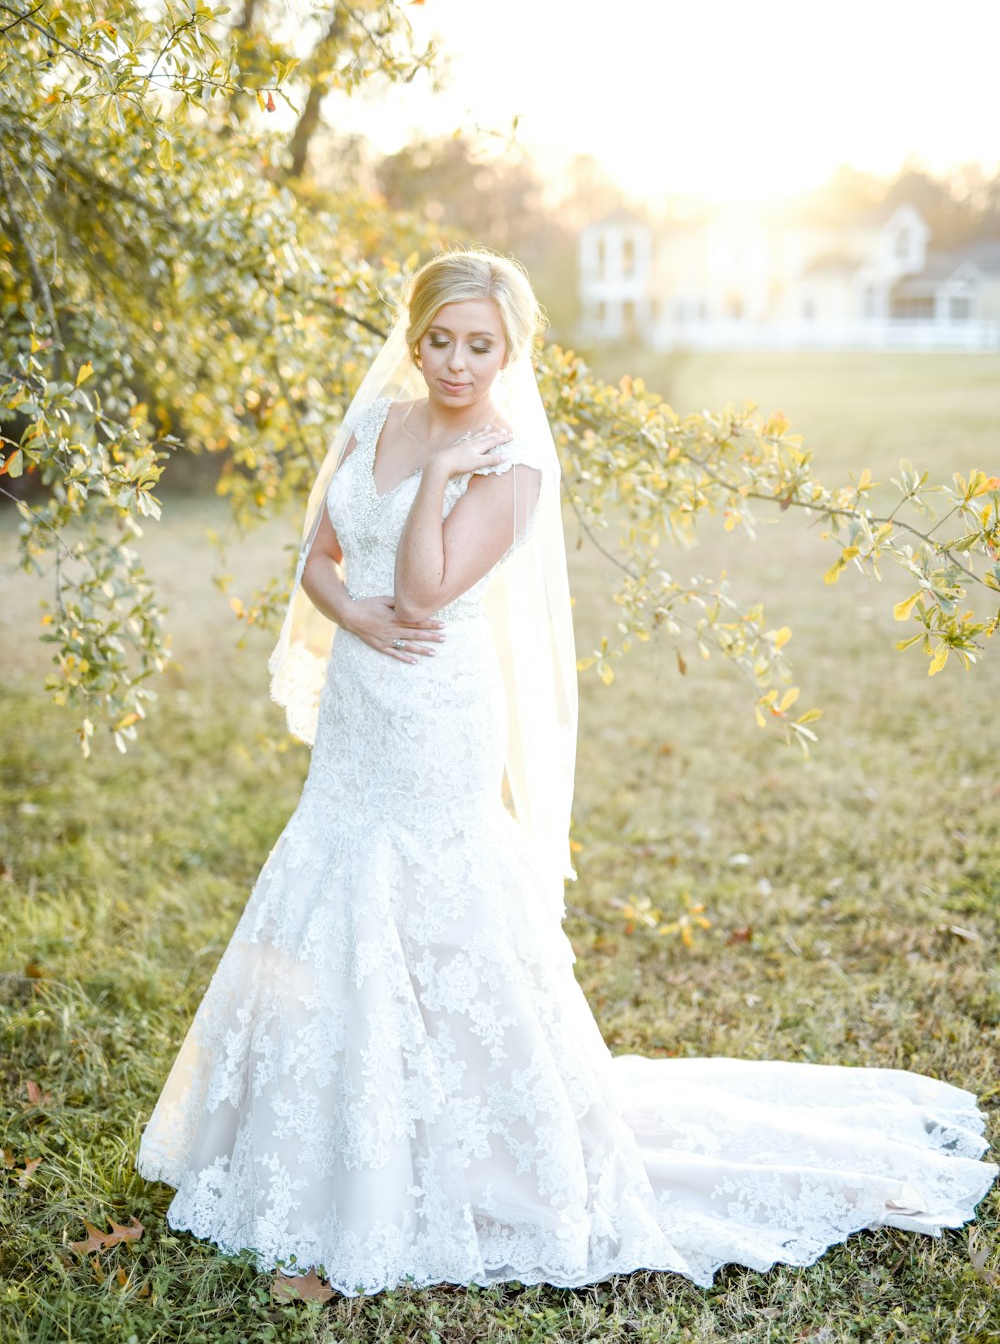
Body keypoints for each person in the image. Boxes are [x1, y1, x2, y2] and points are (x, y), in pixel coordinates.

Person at [136, 248, 997, 1295]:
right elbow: (320, 555)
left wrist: (445, 479)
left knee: (432, 902)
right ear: (415, 340)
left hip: (437, 716)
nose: (458, 362)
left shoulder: (513, 463)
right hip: (362, 712)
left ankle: (466, 1148)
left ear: (512, 349)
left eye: (481, 344)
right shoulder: (373, 422)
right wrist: (343, 610)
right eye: (442, 340)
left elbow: (421, 592)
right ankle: (323, 1138)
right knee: (334, 885)